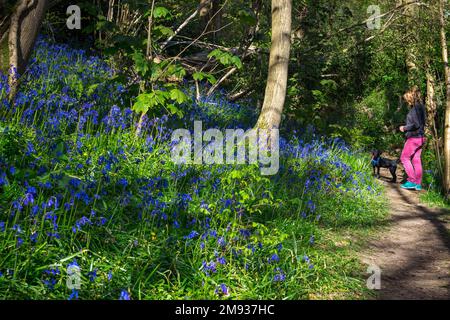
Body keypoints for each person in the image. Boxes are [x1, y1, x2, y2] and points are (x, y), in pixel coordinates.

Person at [399, 86, 426, 191]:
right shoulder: (421, 107)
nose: (406, 101)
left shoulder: (415, 109)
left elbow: (416, 124)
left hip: (414, 138)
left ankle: (411, 181)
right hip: (421, 138)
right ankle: (418, 184)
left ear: (410, 98)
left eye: (407, 99)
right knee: (416, 159)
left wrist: (404, 128)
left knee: (404, 158)